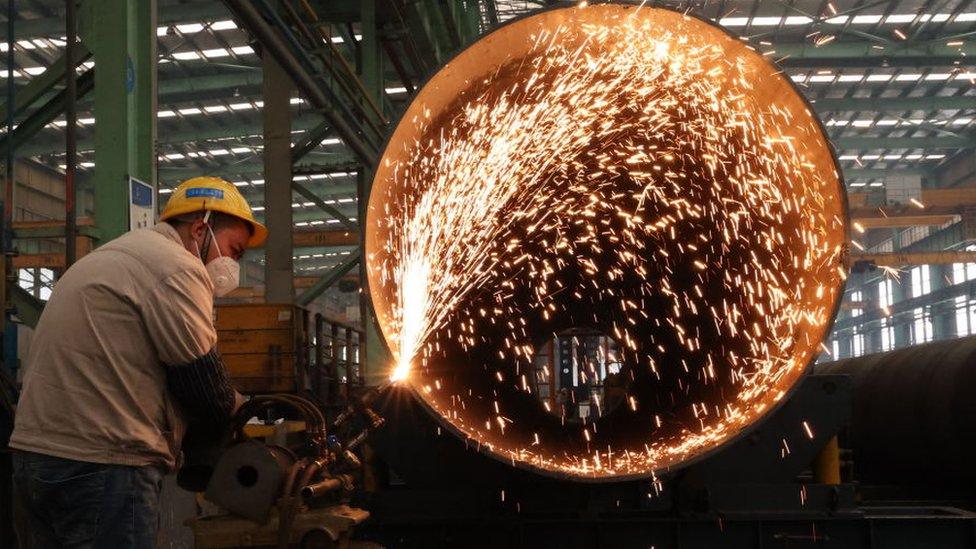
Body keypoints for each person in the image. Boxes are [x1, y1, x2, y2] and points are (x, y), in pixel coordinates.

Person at [9, 177, 267, 547]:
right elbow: (207, 392)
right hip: (102, 464)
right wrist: (245, 409)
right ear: (200, 228)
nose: (233, 265)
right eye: (234, 250)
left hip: (35, 458)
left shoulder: (116, 254)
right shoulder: (177, 268)